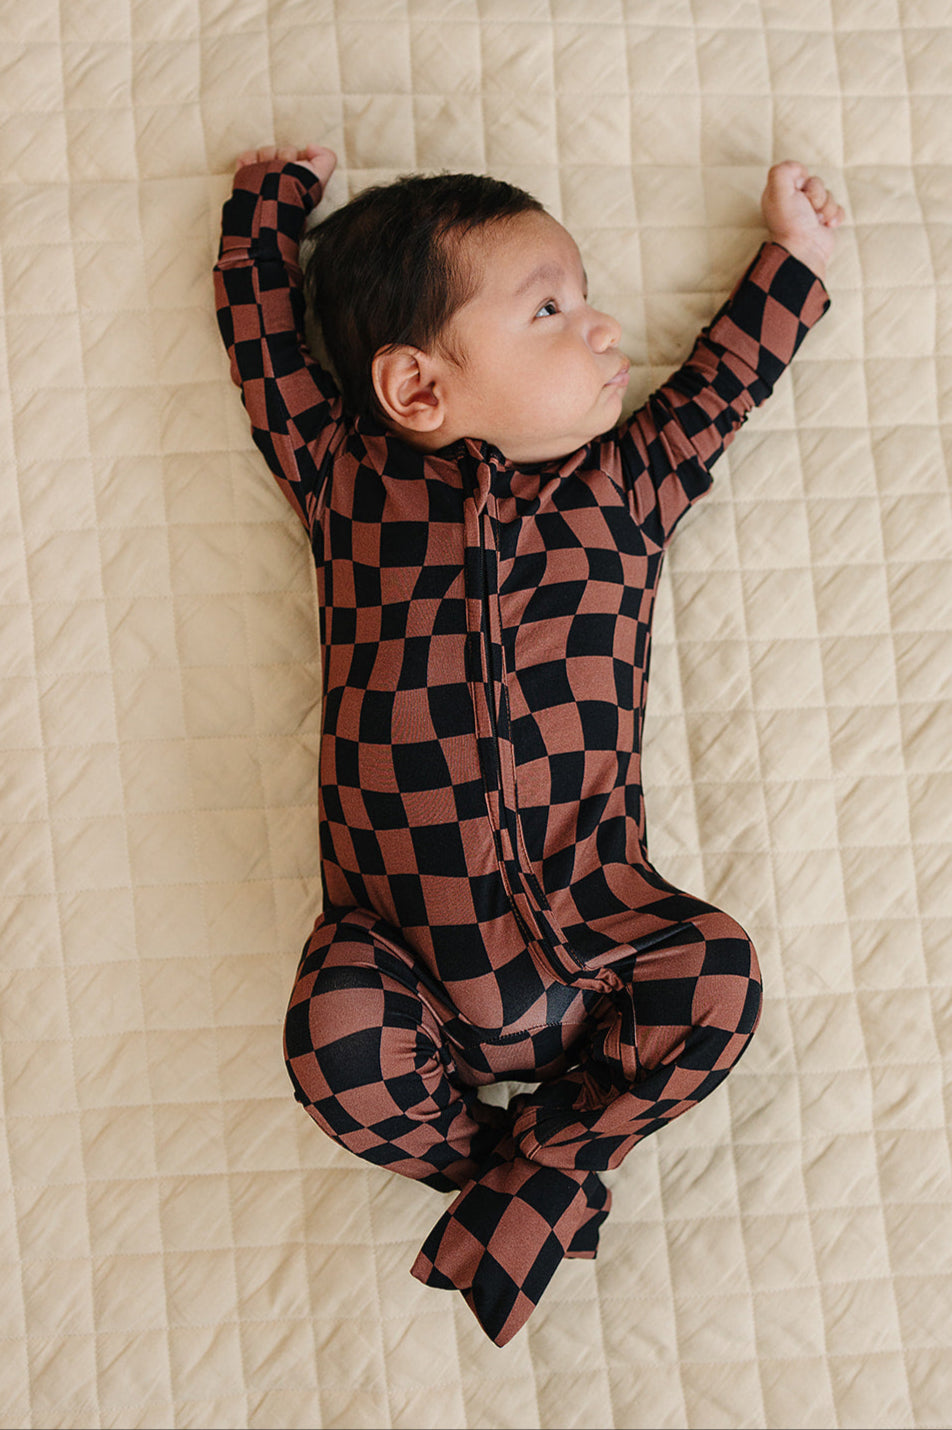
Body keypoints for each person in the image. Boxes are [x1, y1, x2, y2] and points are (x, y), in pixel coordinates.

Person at [214, 143, 843, 1346]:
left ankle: (539, 1171)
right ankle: (521, 1171)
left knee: (718, 971)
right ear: (417, 388)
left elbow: (720, 387)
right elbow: (267, 360)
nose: (603, 327)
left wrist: (794, 259)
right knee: (332, 1032)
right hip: (402, 958)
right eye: (548, 308)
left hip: (602, 935)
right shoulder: (350, 482)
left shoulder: (626, 485)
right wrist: (264, 212)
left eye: (585, 296)